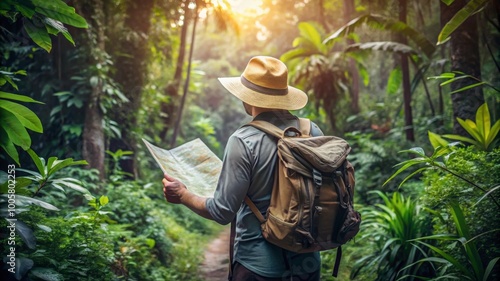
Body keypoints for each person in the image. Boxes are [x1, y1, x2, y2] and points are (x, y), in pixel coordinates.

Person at [162, 56, 324, 280]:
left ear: (248, 98)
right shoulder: (311, 131)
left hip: (258, 267)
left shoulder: (244, 140)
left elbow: (222, 211)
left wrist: (182, 194)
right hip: (307, 263)